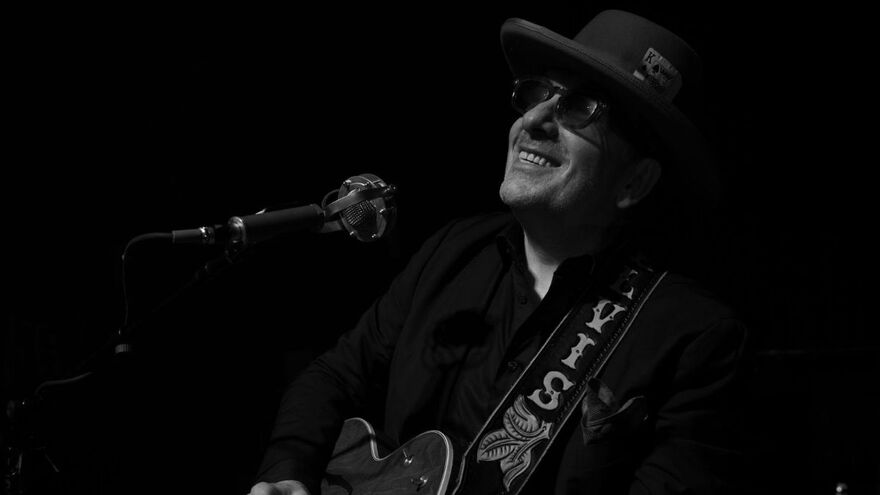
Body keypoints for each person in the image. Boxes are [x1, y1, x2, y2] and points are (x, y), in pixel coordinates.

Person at [250, 9, 749, 495]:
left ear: (634, 181)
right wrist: (289, 470)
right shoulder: (451, 252)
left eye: (579, 107)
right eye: (536, 95)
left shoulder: (693, 338)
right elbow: (335, 375)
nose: (533, 120)